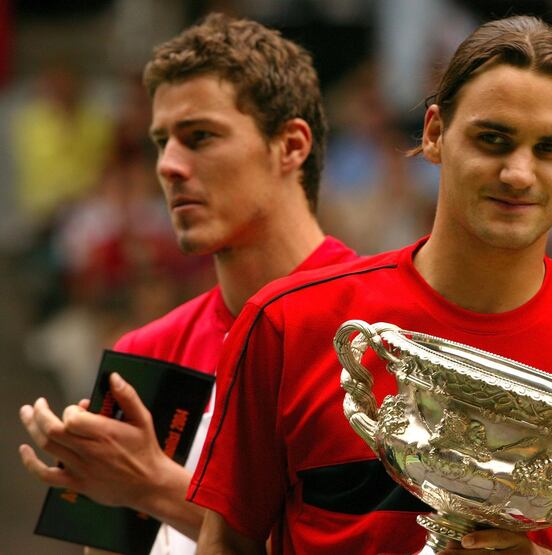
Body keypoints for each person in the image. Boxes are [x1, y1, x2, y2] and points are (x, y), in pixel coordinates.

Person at [189, 15, 552, 555]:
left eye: (550, 148)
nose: (519, 173)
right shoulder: (292, 324)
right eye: (493, 139)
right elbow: (227, 543)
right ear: (435, 134)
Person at [17, 13, 356, 555]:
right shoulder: (143, 354)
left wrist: (156, 486)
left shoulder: (380, 331)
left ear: (291, 146)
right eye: (161, 142)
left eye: (200, 137)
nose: (169, 166)